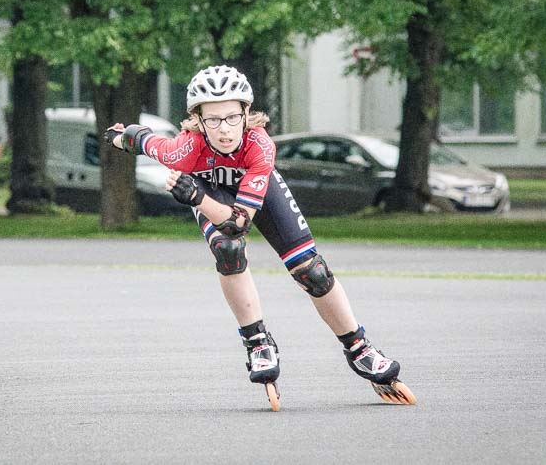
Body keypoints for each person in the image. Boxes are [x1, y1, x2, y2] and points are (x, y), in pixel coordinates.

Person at [105, 65, 415, 408]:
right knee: (227, 249)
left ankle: (359, 348)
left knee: (312, 271)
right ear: (198, 120)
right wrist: (120, 136)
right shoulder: (184, 149)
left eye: (232, 117)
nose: (224, 129)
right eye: (213, 120)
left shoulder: (259, 145)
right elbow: (145, 141)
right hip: (210, 190)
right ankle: (257, 342)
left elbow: (238, 223)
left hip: (243, 195)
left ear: (246, 113)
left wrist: (195, 197)